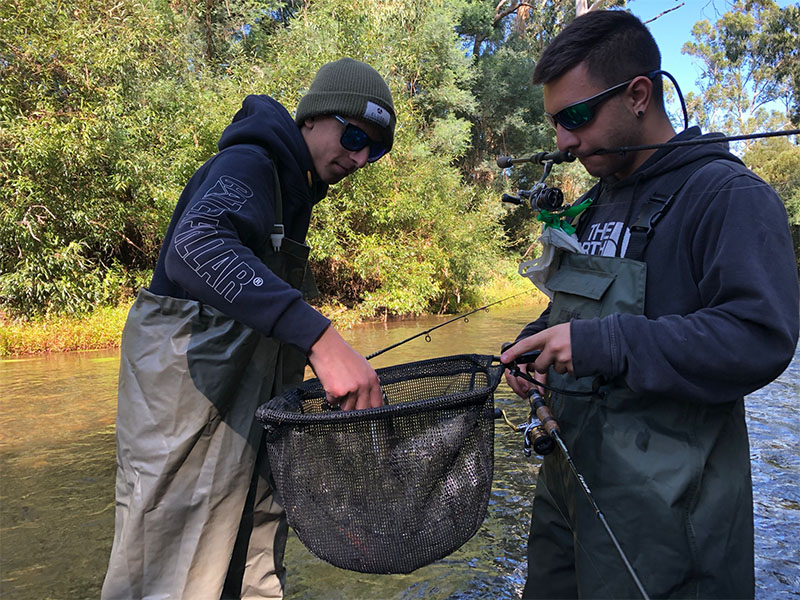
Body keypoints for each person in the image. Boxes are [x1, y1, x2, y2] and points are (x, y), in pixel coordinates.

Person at [499, 10, 799, 599]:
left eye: (575, 117)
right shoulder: (595, 202)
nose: (563, 141)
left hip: (671, 517)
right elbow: (575, 312)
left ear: (639, 95)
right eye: (556, 122)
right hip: (567, 486)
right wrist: (536, 344)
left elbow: (759, 336)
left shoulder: (728, 197)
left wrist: (600, 344)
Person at [101, 58, 396, 600]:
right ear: (311, 119)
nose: (358, 157)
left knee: (253, 568)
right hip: (182, 433)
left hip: (246, 425)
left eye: (373, 148)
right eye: (353, 135)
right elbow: (199, 246)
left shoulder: (294, 193)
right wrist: (320, 340)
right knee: (167, 577)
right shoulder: (249, 164)